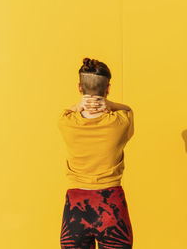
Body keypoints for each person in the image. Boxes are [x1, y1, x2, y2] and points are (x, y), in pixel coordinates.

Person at [57, 58, 134, 249]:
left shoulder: (65, 121)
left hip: (75, 209)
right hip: (111, 207)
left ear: (79, 88)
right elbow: (128, 109)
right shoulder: (121, 122)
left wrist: (78, 106)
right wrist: (109, 103)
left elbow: (68, 111)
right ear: (108, 88)